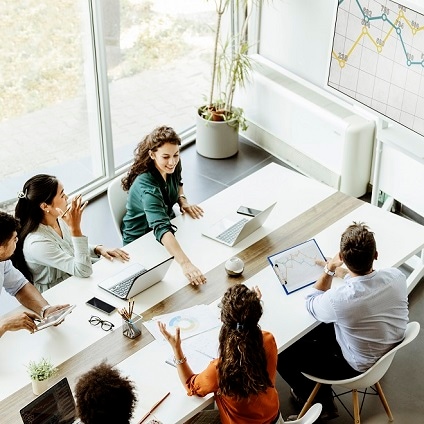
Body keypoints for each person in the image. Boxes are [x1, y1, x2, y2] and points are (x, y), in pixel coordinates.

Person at [277, 222, 408, 420]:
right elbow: (367, 284)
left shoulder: (341, 301)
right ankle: (320, 395)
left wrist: (330, 269)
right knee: (321, 328)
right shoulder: (397, 277)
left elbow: (311, 302)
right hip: (385, 350)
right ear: (376, 255)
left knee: (281, 351)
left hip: (356, 367)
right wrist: (345, 274)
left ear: (343, 259)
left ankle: (318, 401)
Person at [159, 284, 283, 424]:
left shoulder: (219, 369)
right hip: (274, 418)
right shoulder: (268, 340)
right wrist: (250, 310)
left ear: (222, 321)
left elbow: (191, 386)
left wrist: (177, 350)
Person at [13, 174, 129, 292]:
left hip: (76, 276)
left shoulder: (58, 218)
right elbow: (83, 270)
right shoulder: (37, 243)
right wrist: (75, 228)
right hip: (59, 291)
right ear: (44, 206)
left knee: (123, 273)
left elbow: (69, 248)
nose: (67, 197)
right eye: (62, 195)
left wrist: (98, 249)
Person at [121, 125, 206, 286]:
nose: (172, 161)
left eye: (176, 154)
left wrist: (183, 200)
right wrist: (185, 263)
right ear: (152, 154)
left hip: (167, 227)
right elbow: (161, 227)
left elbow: (178, 182)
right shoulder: (148, 188)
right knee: (176, 277)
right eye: (166, 157)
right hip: (141, 241)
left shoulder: (173, 165)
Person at [0, 211, 69, 337]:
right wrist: (5, 324)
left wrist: (45, 309)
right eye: (14, 239)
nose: (17, 242)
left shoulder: (2, 261)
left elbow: (19, 286)